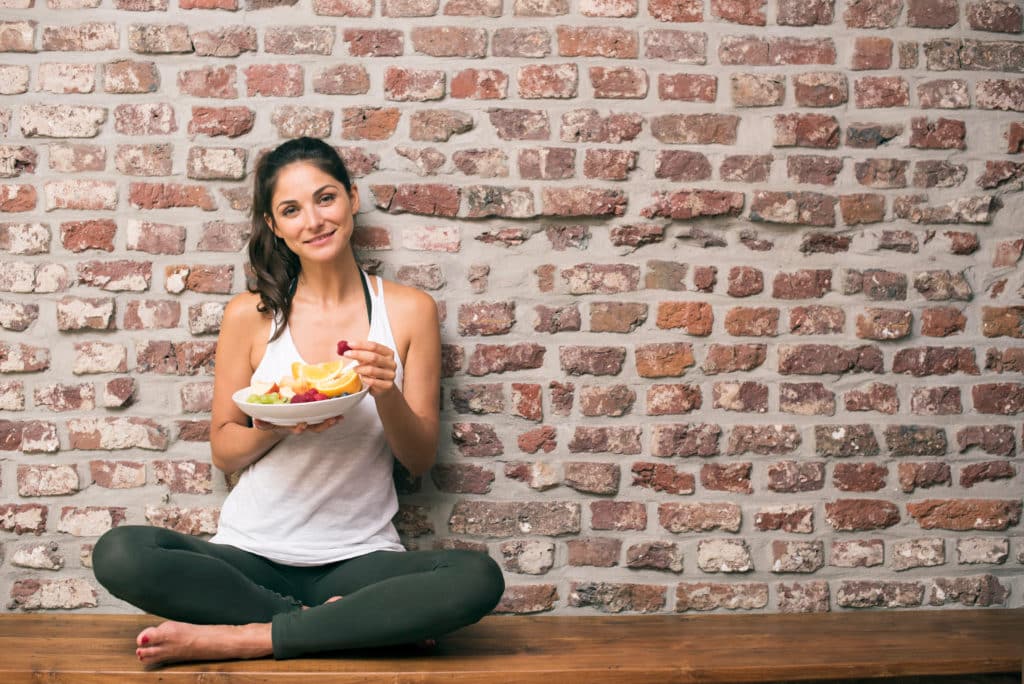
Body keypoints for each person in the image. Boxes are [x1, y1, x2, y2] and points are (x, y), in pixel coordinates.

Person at [92, 136, 505, 667]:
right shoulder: (250, 314)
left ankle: (247, 638)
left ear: (353, 199)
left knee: (477, 578)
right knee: (121, 553)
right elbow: (224, 449)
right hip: (250, 554)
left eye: (325, 198)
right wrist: (282, 422)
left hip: (359, 559)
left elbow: (419, 458)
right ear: (274, 225)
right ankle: (351, 625)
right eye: (291, 209)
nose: (313, 220)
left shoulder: (407, 311)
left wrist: (385, 391)